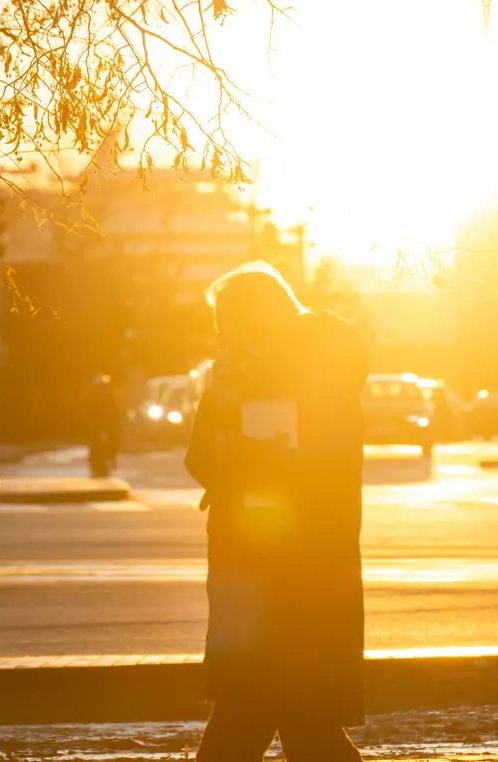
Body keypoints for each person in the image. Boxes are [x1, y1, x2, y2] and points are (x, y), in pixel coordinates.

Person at [184, 261, 368, 762]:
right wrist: (223, 404)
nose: (223, 339)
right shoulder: (239, 378)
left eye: (229, 326)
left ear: (260, 320)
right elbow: (200, 459)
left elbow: (312, 466)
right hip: (253, 573)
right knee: (297, 724)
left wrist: (239, 451)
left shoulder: (323, 368)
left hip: (299, 573)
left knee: (264, 717)